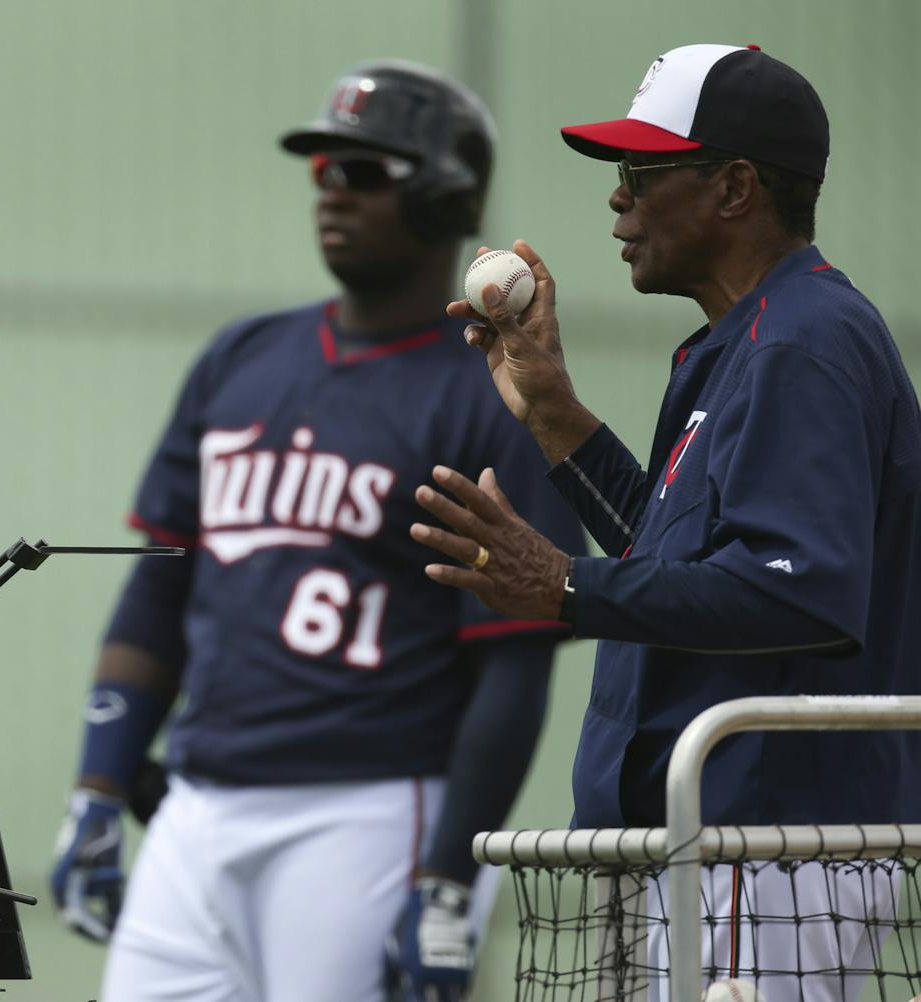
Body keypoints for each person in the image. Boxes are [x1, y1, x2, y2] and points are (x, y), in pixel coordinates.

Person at [47, 61, 586, 1002]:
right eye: (322, 170)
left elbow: (513, 658)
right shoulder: (240, 358)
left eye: (364, 172)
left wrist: (448, 875)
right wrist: (100, 784)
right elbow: (160, 584)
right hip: (197, 806)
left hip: (372, 812)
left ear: (446, 192)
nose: (332, 192)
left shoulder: (493, 395)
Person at [410, 43, 921, 1002]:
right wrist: (557, 415)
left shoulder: (804, 341)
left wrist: (562, 586)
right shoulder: (748, 338)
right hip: (720, 844)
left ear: (734, 188)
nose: (617, 200)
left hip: (770, 850)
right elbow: (679, 560)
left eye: (641, 173)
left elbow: (799, 592)